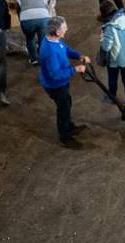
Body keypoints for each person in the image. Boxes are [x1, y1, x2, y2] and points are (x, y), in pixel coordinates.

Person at [39, 16, 90, 149]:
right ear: (56, 32)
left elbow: (65, 48)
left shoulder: (55, 40)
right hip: (55, 85)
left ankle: (69, 126)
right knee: (63, 109)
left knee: (67, 102)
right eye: (64, 28)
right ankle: (64, 137)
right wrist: (76, 69)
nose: (67, 29)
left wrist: (79, 56)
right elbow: (55, 74)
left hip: (62, 82)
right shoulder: (50, 51)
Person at [98, 0, 125, 103]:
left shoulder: (109, 28)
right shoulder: (123, 17)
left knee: (112, 78)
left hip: (116, 58)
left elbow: (106, 47)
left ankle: (112, 97)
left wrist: (102, 38)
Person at [17, 0, 50, 66]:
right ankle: (42, 57)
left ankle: (33, 59)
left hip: (27, 19)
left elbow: (19, 7)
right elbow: (45, 3)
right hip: (43, 17)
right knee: (42, 39)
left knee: (30, 38)